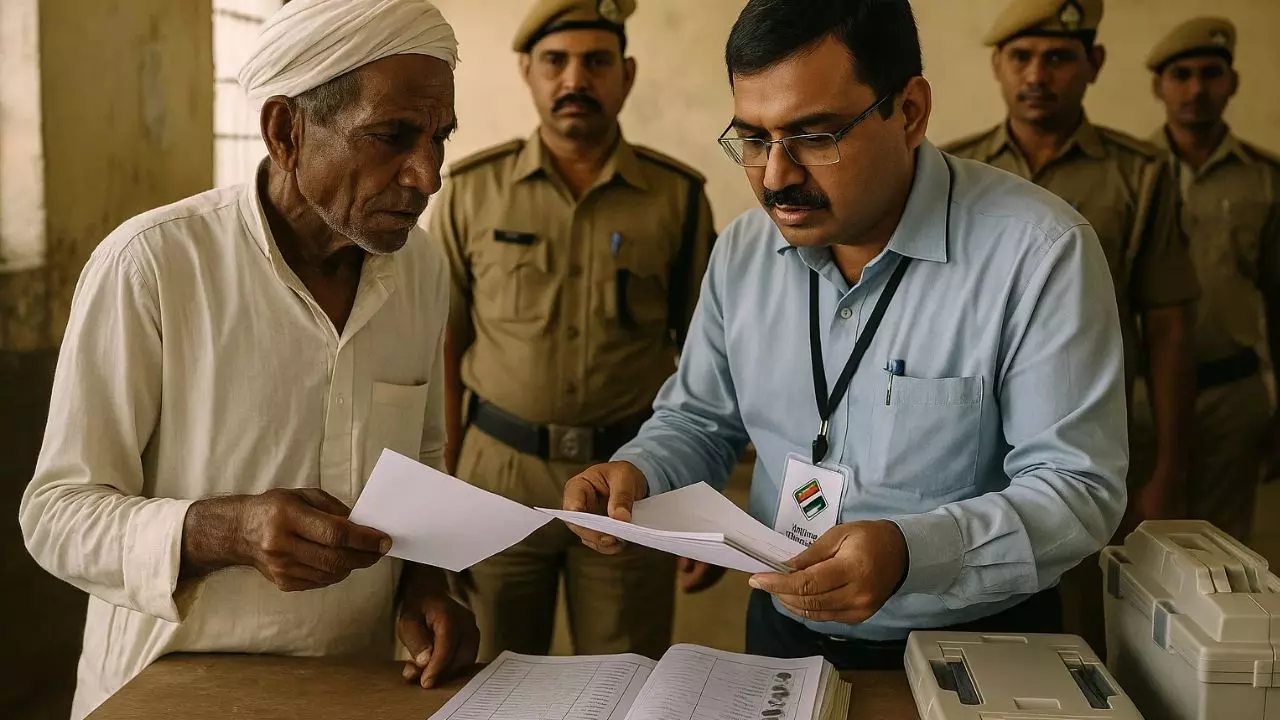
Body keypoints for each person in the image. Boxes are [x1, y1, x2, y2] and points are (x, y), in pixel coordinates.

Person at [560, 0, 1129, 671]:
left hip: (977, 648)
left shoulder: (1036, 253)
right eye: (753, 139)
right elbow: (700, 419)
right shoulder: (745, 251)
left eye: (814, 136)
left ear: (910, 112)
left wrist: (911, 553)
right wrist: (641, 471)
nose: (776, 178)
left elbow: (1076, 488)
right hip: (783, 632)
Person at [18, 2, 477, 716]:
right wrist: (220, 530)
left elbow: (416, 460)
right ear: (286, 132)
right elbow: (55, 516)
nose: (428, 175)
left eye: (438, 138)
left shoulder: (419, 272)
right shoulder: (152, 266)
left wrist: (422, 585)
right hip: (166, 688)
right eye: (393, 137)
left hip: (348, 686)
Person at [429, 0, 718, 661]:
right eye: (555, 62)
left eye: (596, 62)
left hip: (627, 480)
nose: (574, 80)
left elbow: (708, 361)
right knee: (490, 672)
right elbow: (443, 341)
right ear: (528, 72)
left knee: (626, 674)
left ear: (627, 74)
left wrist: (696, 506)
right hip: (497, 475)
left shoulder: (675, 197)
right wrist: (443, 482)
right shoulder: (472, 191)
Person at [941, 0, 1200, 654]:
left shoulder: (1139, 174)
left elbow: (1167, 327)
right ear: (997, 68)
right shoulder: (949, 174)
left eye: (1058, 57)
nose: (1037, 74)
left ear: (1094, 65)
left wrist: (1167, 466)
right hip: (968, 440)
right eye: (1021, 57)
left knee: (1082, 618)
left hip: (1085, 441)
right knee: (962, 614)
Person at [1146, 17, 1280, 540]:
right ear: (1158, 86)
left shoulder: (1266, 177)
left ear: (1233, 83)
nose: (1196, 89)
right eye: (1180, 74)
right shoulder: (1133, 172)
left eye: (1211, 73)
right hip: (1143, 397)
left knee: (1223, 555)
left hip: (1232, 394)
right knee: (1133, 552)